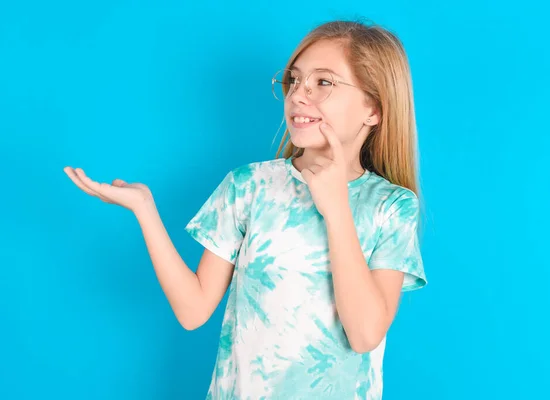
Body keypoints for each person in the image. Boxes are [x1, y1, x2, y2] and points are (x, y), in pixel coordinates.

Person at [64, 19, 428, 400]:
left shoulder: (392, 206)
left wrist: (336, 208)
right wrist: (144, 209)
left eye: (324, 82)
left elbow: (365, 334)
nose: (299, 95)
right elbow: (193, 310)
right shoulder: (249, 187)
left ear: (374, 108)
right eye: (295, 80)